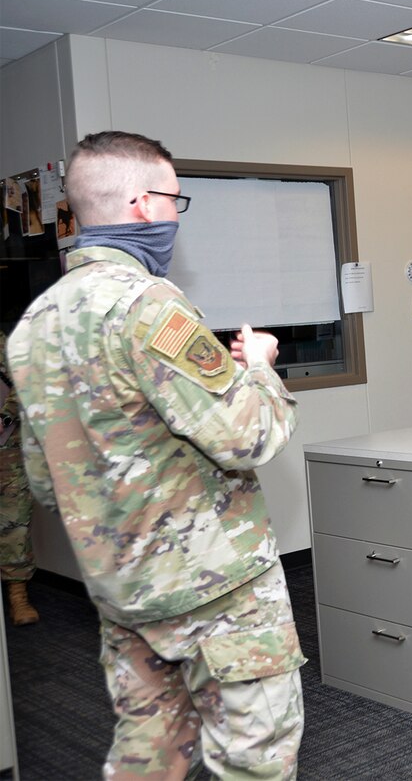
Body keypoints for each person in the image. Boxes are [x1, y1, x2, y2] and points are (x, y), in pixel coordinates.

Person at [6, 131, 305, 778]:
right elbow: (248, 437)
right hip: (216, 591)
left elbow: (44, 479)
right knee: (253, 760)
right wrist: (259, 368)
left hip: (121, 591)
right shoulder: (147, 305)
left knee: (148, 756)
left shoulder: (35, 325)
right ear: (143, 203)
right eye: (176, 199)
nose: (176, 214)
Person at [0, 331, 39, 626]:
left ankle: (17, 597)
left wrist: (5, 418)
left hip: (6, 447)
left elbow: (24, 380)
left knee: (14, 522)